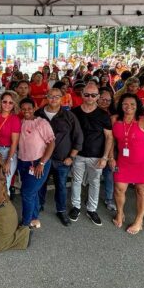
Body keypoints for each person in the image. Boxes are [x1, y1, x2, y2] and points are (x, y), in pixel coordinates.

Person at [109, 94, 144, 235]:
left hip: (143, 163)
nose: (128, 107)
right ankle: (120, 213)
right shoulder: (114, 120)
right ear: (120, 105)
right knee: (119, 188)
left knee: (142, 191)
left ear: (138, 106)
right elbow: (111, 140)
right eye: (125, 104)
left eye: (132, 104)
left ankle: (139, 220)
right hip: (122, 161)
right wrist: (111, 157)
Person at [35, 87, 83, 226]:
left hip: (62, 159)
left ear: (62, 98)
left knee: (61, 185)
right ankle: (39, 206)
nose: (53, 99)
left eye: (57, 96)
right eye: (50, 96)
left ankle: (61, 210)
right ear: (46, 97)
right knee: (40, 184)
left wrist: (71, 157)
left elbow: (78, 137)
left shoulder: (69, 116)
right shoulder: (38, 114)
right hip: (42, 158)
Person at [69, 83, 113, 226]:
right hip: (78, 155)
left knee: (94, 183)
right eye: (87, 94)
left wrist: (105, 157)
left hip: (97, 156)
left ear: (98, 97)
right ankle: (76, 207)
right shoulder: (74, 112)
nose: (90, 97)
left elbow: (109, 137)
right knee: (76, 182)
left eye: (93, 95)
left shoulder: (104, 115)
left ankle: (92, 209)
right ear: (82, 95)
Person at [16, 98, 55, 228]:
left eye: (29, 108)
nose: (26, 111)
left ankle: (26, 223)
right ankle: (34, 218)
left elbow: (51, 143)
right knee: (32, 191)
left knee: (27, 193)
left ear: (34, 108)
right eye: (24, 109)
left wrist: (42, 163)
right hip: (23, 163)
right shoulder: (20, 122)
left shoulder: (41, 123)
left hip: (38, 163)